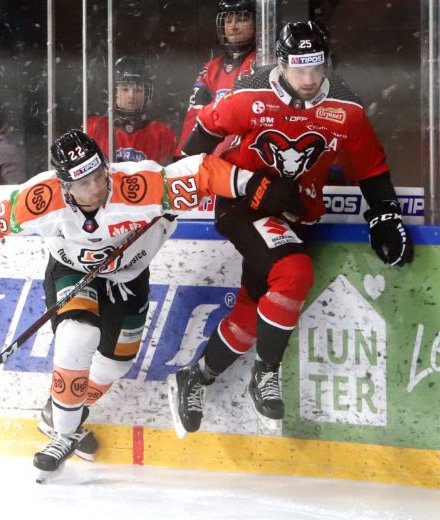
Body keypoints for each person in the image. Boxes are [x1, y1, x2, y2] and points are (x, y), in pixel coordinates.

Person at [0, 129, 301, 478]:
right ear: (65, 184)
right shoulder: (43, 198)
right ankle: (63, 431)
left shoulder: (137, 185)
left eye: (98, 175)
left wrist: (253, 185)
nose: (96, 189)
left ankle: (60, 411)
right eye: (82, 183)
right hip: (72, 269)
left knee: (113, 365)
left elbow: (203, 171)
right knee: (77, 336)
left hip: (129, 278)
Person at [169, 21, 414, 436]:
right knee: (295, 271)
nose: (308, 79)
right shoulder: (249, 93)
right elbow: (201, 138)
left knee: (254, 307)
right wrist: (175, 185)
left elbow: (369, 165)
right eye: (299, 68)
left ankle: (197, 376)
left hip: (295, 213)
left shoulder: (346, 106)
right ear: (280, 65)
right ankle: (266, 371)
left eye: (316, 68)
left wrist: (385, 212)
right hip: (243, 202)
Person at [175, 0, 257, 155]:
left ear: (256, 24)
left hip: (249, 157)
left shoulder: (264, 65)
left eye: (242, 19)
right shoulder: (210, 70)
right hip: (215, 163)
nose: (233, 27)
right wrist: (184, 158)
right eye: (228, 20)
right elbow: (194, 118)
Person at [85, 57, 175, 165]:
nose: (131, 96)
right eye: (125, 89)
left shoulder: (162, 133)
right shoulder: (95, 128)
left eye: (138, 90)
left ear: (147, 94)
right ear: (113, 93)